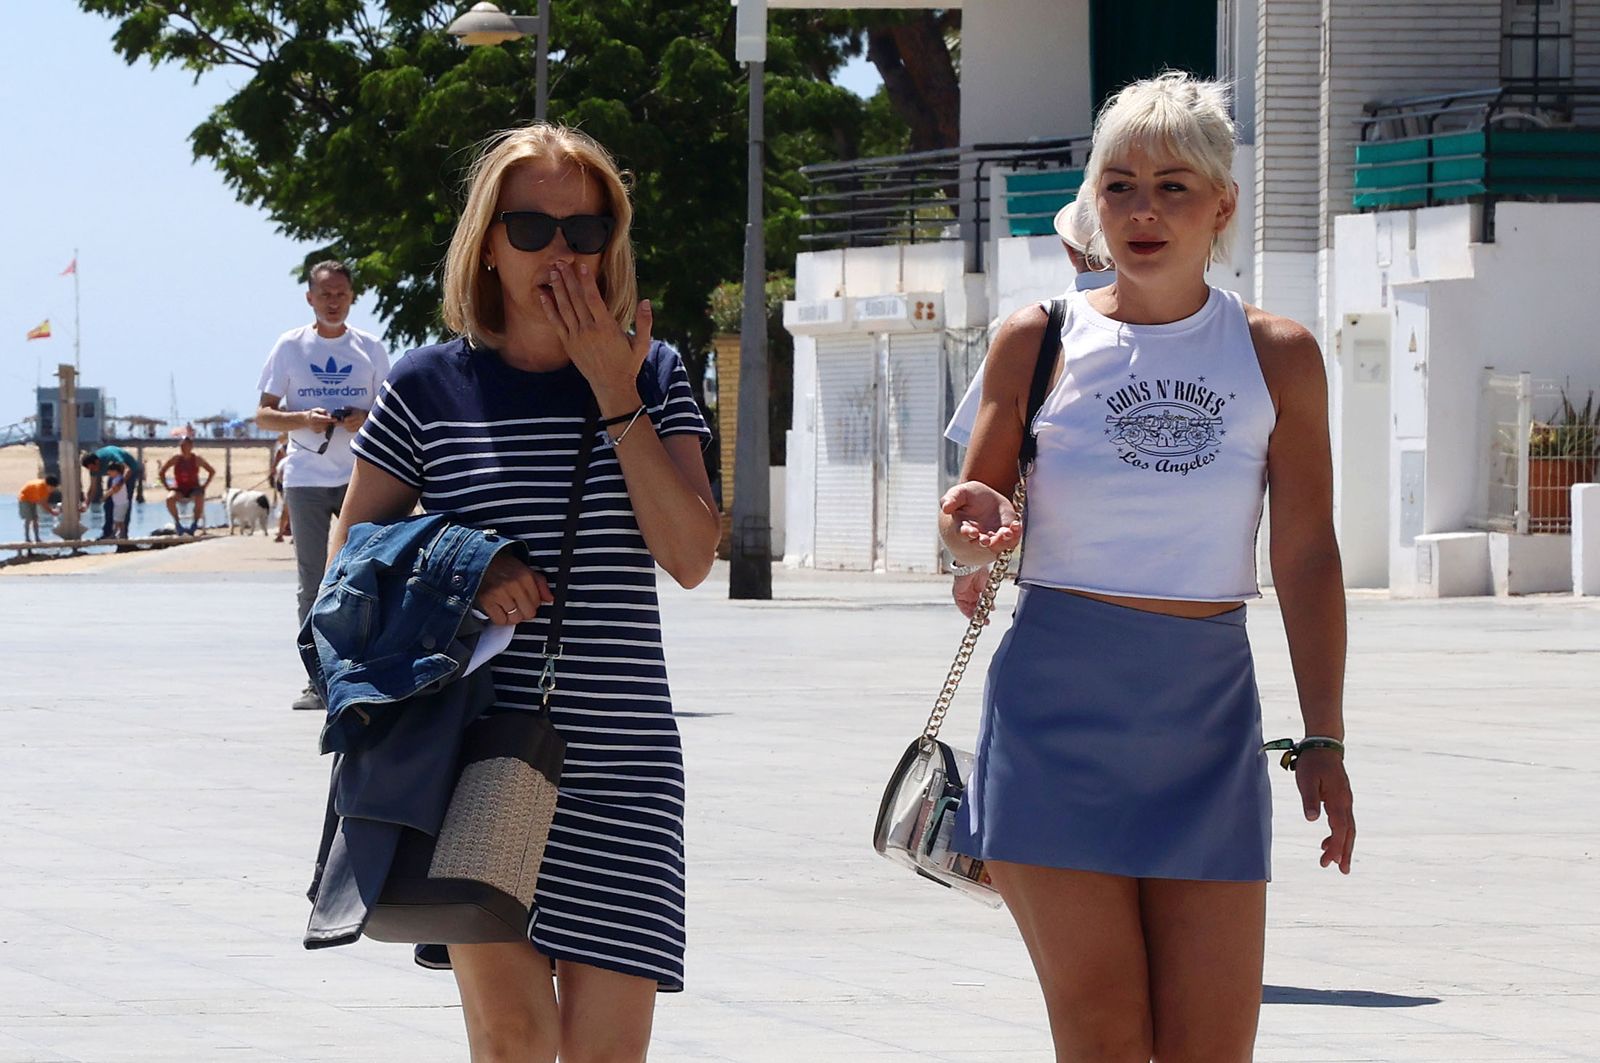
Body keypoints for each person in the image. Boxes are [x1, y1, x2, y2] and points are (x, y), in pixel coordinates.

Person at [938, 72, 1355, 1062]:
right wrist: (968, 532)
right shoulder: (1035, 339)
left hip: (1206, 721)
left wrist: (1324, 736)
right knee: (1103, 1035)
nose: (1142, 211)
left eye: (1173, 187)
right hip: (1053, 719)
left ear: (1223, 206)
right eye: (1120, 186)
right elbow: (973, 512)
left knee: (1213, 1044)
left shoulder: (1278, 353)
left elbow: (1305, 553)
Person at [331, 124, 717, 1062]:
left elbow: (690, 554)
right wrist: (465, 563)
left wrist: (614, 388)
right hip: (475, 754)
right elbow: (350, 556)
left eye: (585, 231)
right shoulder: (428, 385)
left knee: (605, 1051)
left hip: (622, 760)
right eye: (533, 228)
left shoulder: (656, 373)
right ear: (488, 244)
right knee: (514, 1038)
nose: (561, 253)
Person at [945, 191, 1117, 616]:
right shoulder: (1218, 326)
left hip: (1060, 593)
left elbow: (981, 479)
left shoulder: (1036, 331)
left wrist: (969, 564)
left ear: (1068, 249)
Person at [254, 260, 390, 711]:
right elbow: (264, 414)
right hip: (307, 477)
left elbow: (391, 412)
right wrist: (303, 419)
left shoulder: (370, 348)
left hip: (361, 475)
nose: (333, 302)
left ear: (352, 297)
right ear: (310, 298)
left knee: (369, 573)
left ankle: (367, 673)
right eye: (325, 294)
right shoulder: (290, 346)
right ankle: (317, 680)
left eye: (341, 294)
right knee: (312, 580)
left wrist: (363, 418)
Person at [80, 445, 144, 540]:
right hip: (115, 474)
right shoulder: (92, 469)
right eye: (90, 469)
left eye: (93, 468)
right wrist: (86, 504)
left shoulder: (111, 457)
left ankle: (123, 534)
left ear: (97, 462)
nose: (93, 471)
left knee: (123, 503)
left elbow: (128, 469)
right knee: (108, 504)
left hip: (129, 470)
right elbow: (93, 488)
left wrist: (120, 484)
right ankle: (108, 533)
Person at [158, 437, 215, 534]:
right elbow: (162, 472)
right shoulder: (176, 458)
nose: (183, 448)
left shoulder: (197, 459)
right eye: (181, 446)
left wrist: (204, 486)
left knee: (200, 498)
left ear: (191, 446)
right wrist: (167, 486)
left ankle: (195, 523)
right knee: (169, 499)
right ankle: (177, 523)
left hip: (193, 488)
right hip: (179, 488)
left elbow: (211, 471)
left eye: (185, 446)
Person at [17, 475, 61, 543]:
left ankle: (37, 538)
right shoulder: (40, 487)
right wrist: (52, 512)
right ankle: (27, 539)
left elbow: (45, 501)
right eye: (52, 488)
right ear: (48, 485)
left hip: (33, 499)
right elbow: (42, 503)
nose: (53, 490)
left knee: (35, 518)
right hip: (24, 498)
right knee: (28, 518)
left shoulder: (47, 489)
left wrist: (51, 510)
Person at [270, 433, 291, 542]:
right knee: (288, 509)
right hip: (286, 481)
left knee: (285, 509)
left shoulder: (282, 449)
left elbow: (275, 466)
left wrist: (272, 473)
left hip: (286, 482)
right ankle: (285, 530)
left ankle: (282, 532)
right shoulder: (286, 448)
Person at [103, 461, 131, 540]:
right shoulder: (118, 479)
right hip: (121, 503)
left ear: (115, 471)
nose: (108, 473)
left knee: (116, 520)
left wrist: (105, 496)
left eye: (110, 471)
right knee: (120, 521)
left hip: (120, 504)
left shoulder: (118, 479)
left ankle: (114, 534)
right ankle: (123, 534)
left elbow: (114, 490)